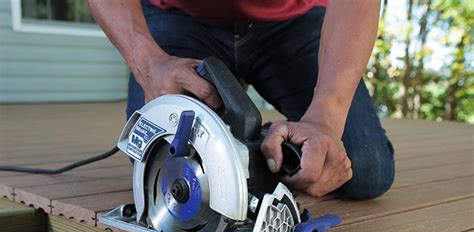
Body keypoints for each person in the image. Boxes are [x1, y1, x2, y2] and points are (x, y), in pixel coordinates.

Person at [87, 0, 394, 199]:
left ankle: (263, 139)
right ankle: (248, 141)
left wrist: (326, 117)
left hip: (293, 20)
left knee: (365, 168)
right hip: (180, 15)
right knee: (160, 151)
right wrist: (150, 64)